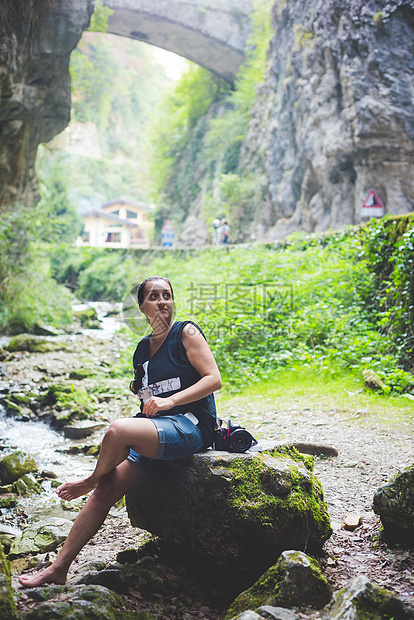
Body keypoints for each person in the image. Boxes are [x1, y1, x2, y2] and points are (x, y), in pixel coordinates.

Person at [19, 276, 222, 588]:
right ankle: (58, 569)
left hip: (190, 425)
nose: (162, 301)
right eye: (154, 296)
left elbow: (213, 379)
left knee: (116, 431)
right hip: (157, 430)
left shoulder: (186, 332)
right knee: (107, 490)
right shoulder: (142, 351)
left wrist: (170, 400)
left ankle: (90, 478)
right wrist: (146, 393)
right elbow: (146, 394)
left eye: (167, 295)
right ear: (142, 307)